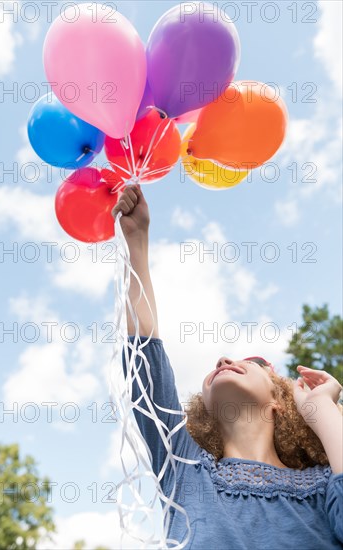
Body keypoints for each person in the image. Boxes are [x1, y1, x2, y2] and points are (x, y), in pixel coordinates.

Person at [111, 183, 343, 549]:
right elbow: (144, 355)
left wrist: (323, 411)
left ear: (278, 398)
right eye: (213, 370)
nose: (223, 361)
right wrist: (136, 239)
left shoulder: (322, 486)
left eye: (251, 362)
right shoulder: (185, 467)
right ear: (204, 411)